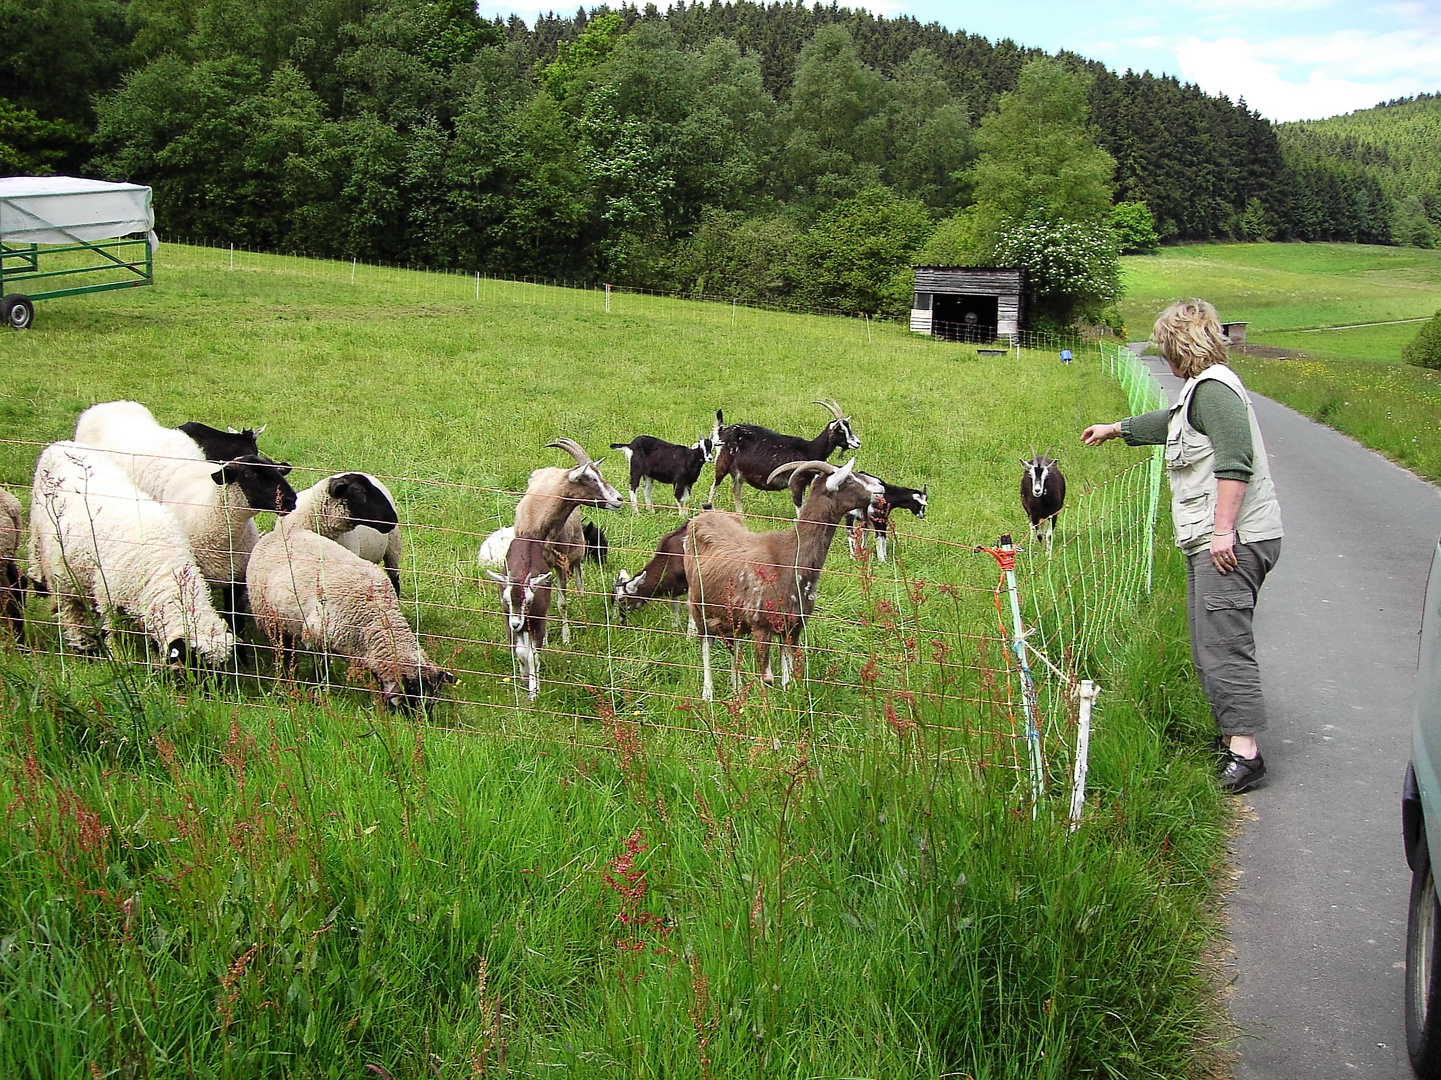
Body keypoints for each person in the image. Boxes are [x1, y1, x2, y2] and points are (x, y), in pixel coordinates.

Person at [1082, 299, 1283, 794]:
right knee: (1206, 641)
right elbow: (1173, 424)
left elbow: (1235, 460)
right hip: (1211, 539)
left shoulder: (1215, 391)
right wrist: (1117, 429)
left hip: (1232, 540)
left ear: (1177, 351)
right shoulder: (1201, 391)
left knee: (1223, 644)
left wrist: (1222, 531)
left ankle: (1246, 754)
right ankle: (1232, 736)